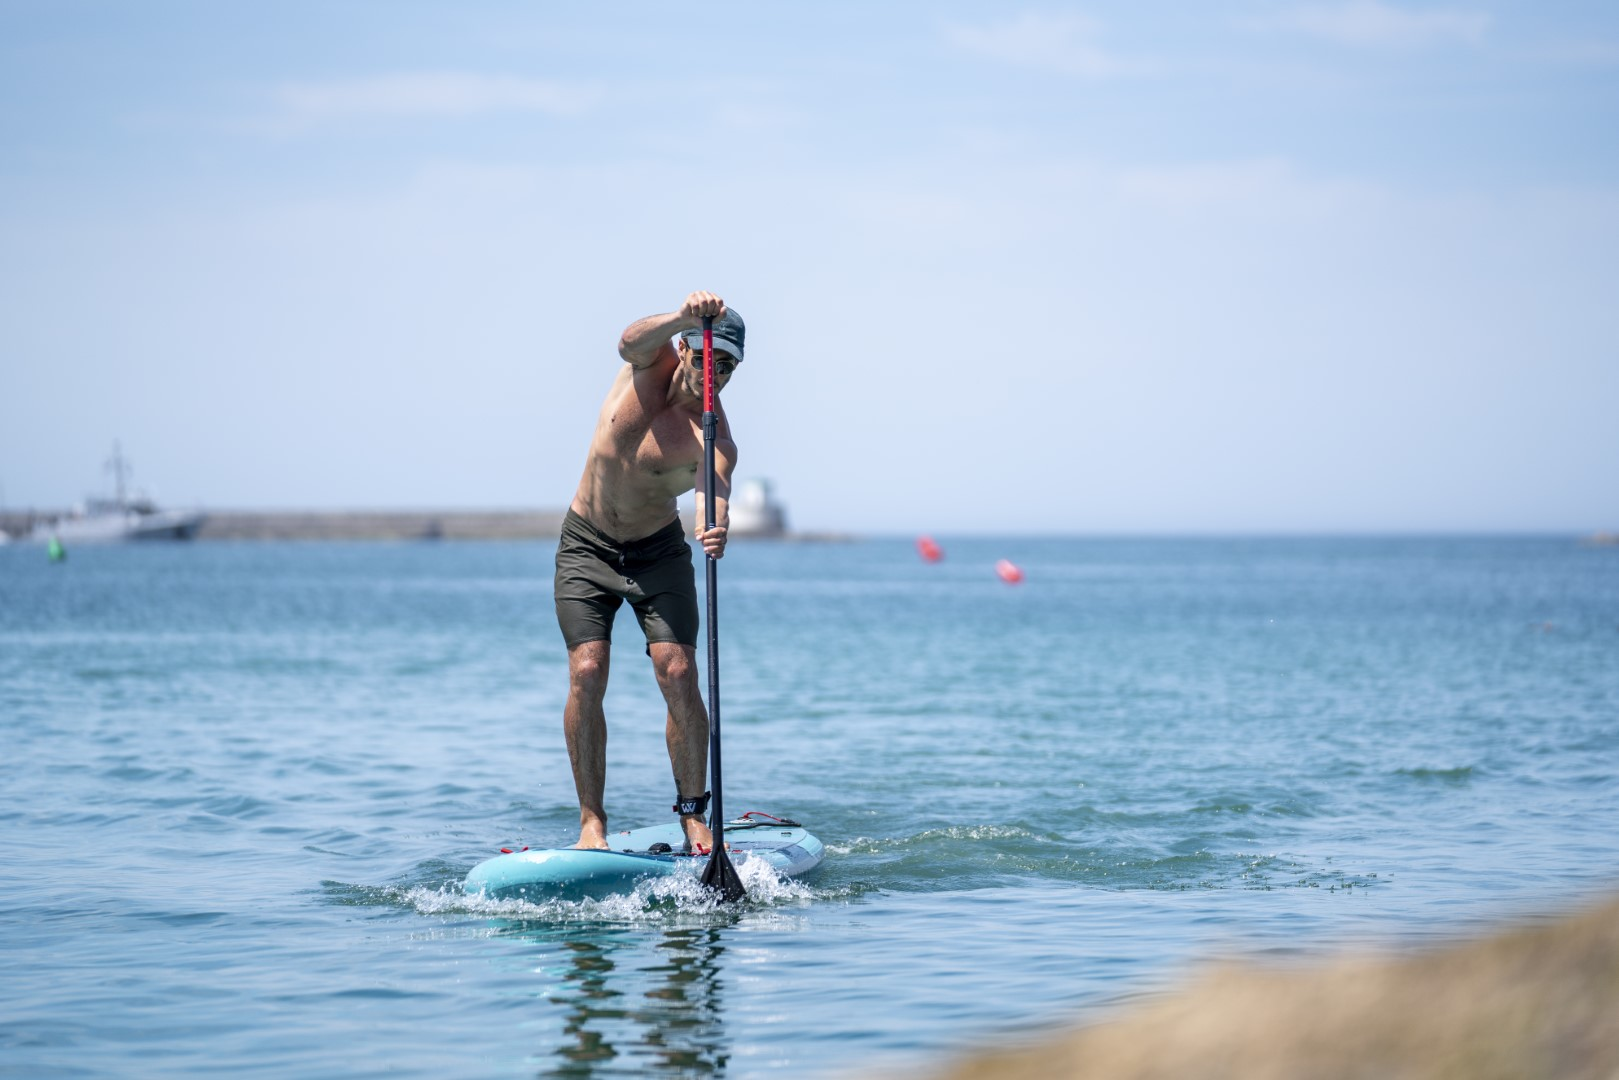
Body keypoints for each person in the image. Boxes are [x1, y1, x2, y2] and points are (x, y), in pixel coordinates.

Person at [554, 290, 744, 851]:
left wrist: (715, 525)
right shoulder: (647, 362)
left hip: (657, 552)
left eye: (727, 366)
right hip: (586, 545)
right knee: (588, 670)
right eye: (708, 358)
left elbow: (714, 490)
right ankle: (592, 823)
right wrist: (684, 315)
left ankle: (692, 816)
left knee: (679, 672)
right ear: (684, 349)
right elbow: (627, 339)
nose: (715, 374)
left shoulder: (713, 436)